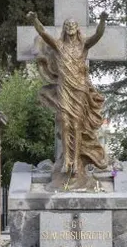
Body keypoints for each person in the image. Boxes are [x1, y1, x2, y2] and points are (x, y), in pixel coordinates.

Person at [26, 11, 109, 190]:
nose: (70, 28)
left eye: (73, 25)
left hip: (79, 90)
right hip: (64, 89)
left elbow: (99, 34)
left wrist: (102, 20)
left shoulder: (84, 45)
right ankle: (68, 161)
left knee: (77, 125)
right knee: (64, 122)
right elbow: (43, 34)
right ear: (64, 29)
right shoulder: (58, 45)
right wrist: (34, 19)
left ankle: (76, 163)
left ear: (77, 29)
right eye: (67, 26)